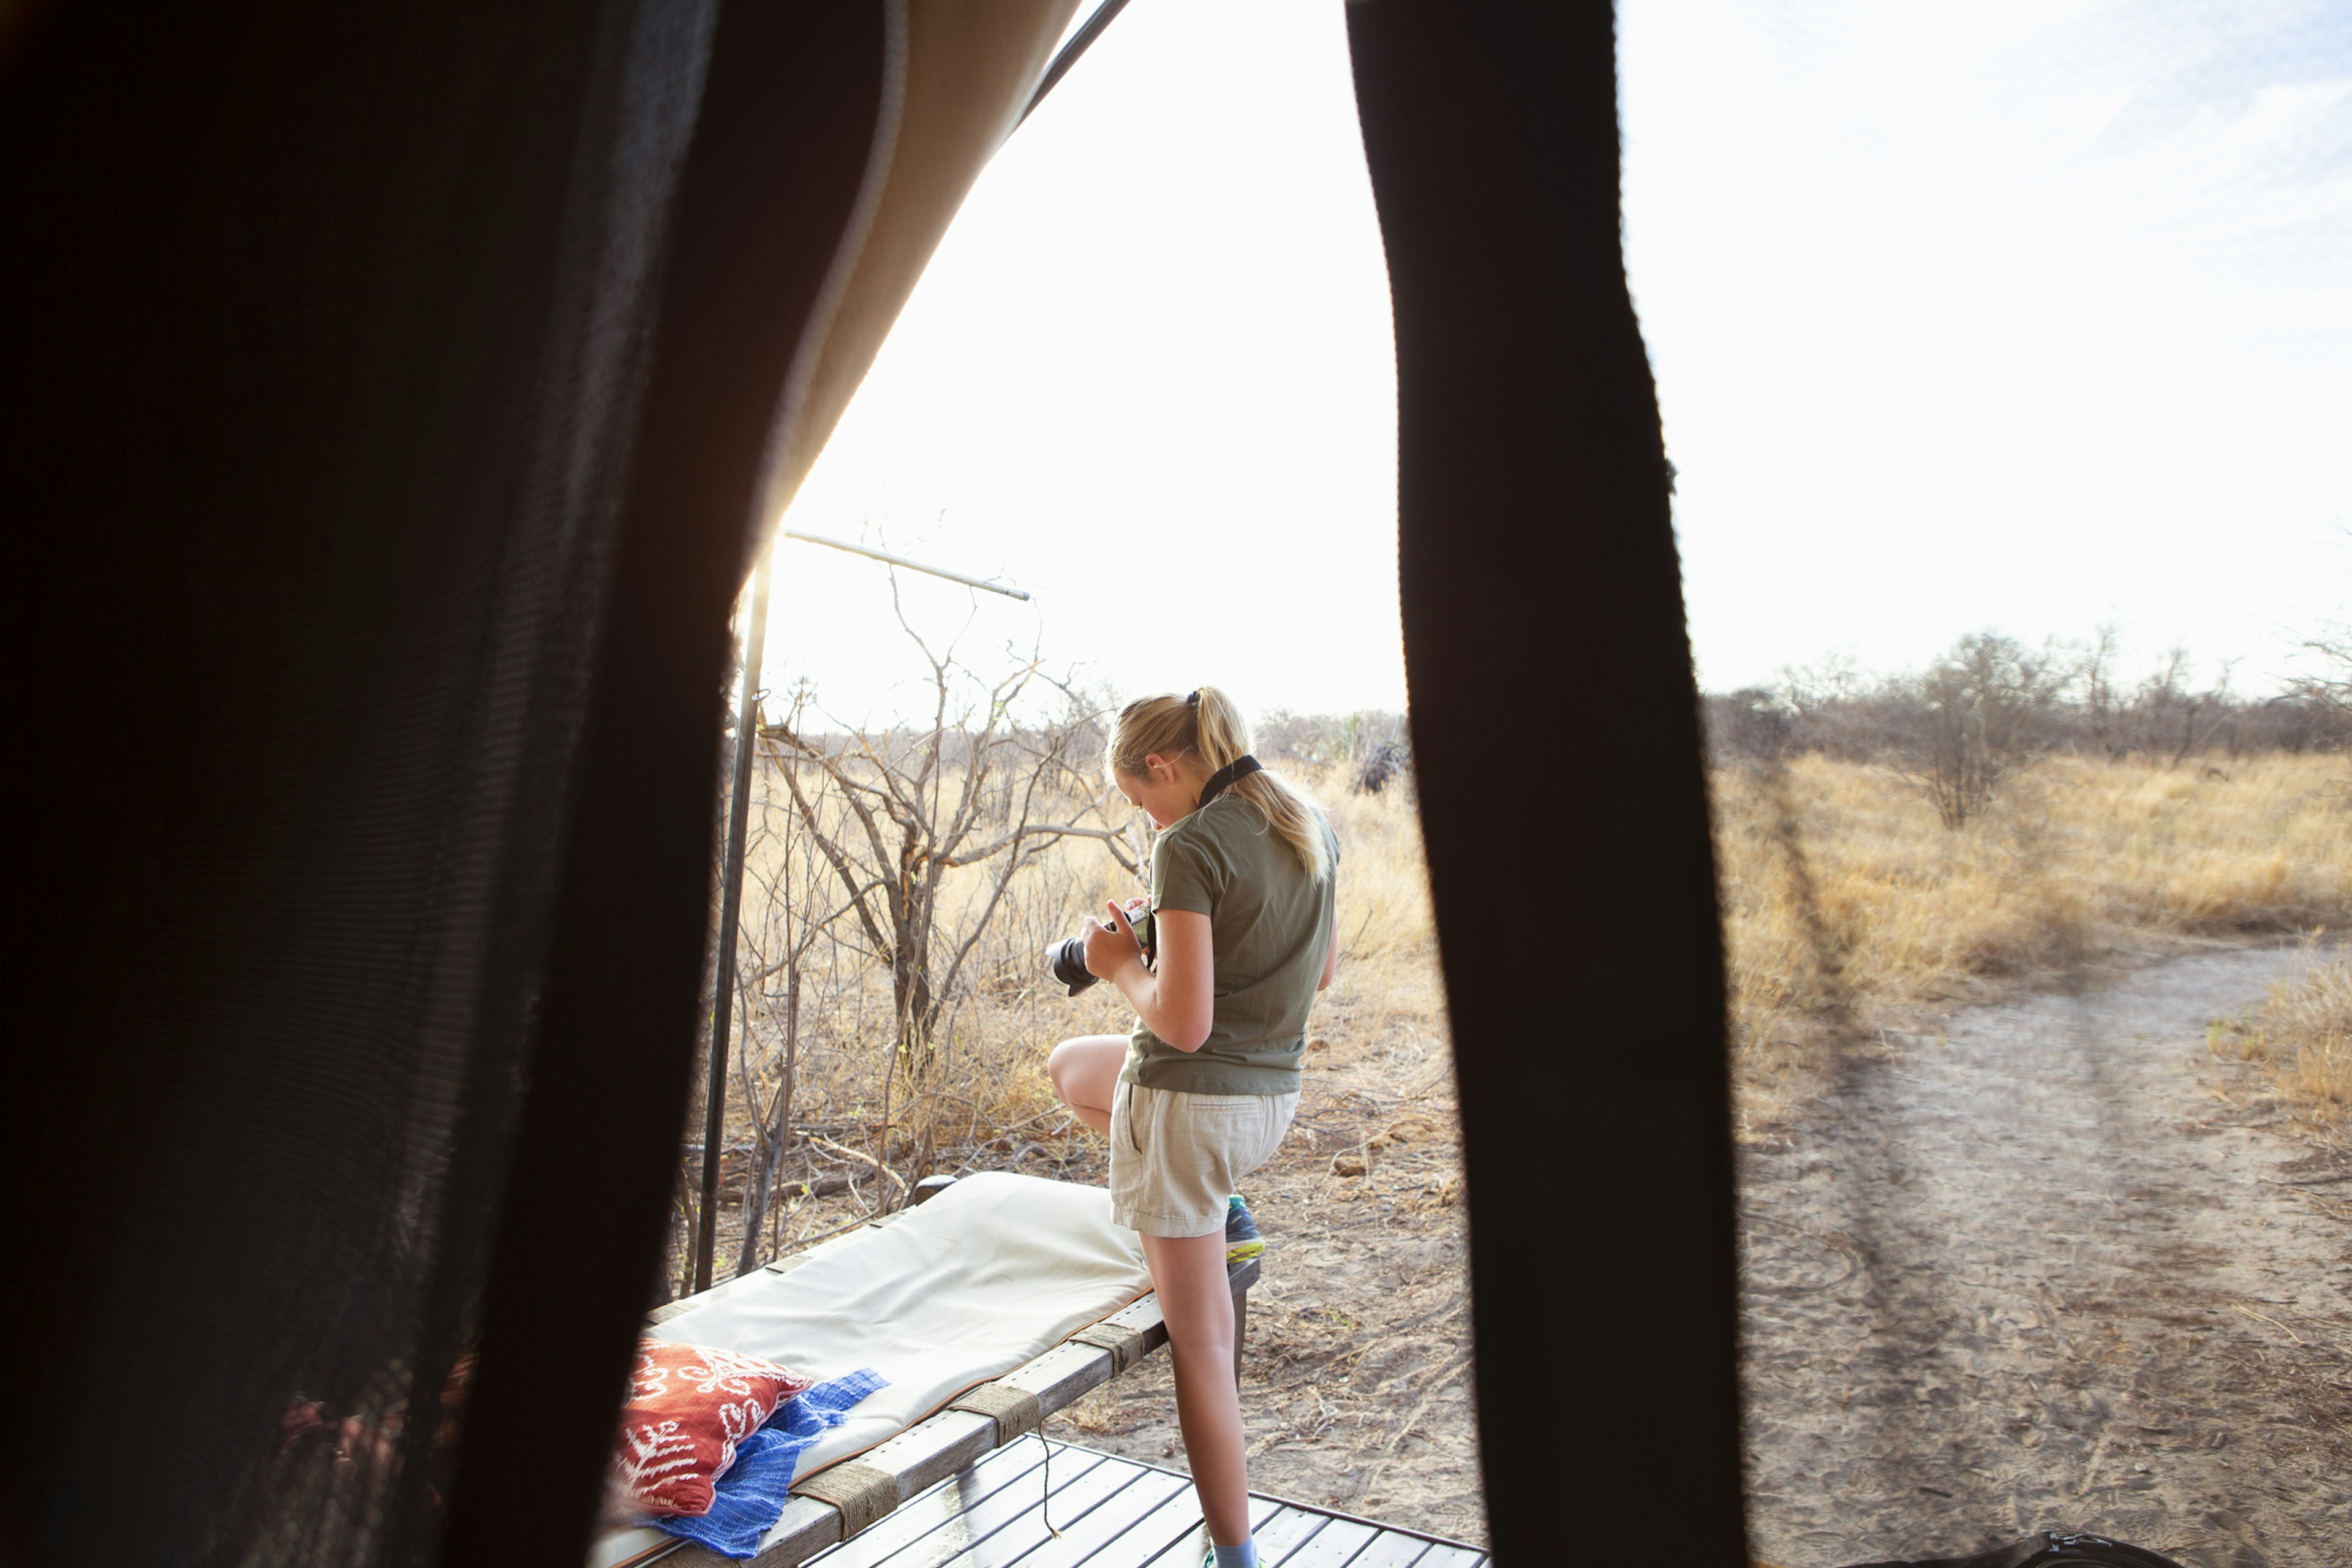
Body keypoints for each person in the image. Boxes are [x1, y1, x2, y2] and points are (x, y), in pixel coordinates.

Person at [1047, 688, 1340, 1568]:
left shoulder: (1189, 842)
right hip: (1266, 1105)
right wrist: (1174, 932)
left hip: (1187, 1110)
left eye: (1139, 798)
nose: (1143, 815)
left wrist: (1119, 965)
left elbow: (1181, 1026)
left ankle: (1234, 1556)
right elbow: (1319, 976)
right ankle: (1230, 1217)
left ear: (1163, 767)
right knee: (1074, 1068)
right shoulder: (1309, 821)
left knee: (1202, 1349)